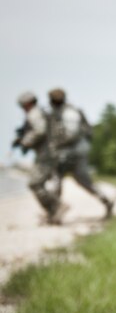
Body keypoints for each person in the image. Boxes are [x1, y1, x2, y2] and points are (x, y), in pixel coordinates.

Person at [47, 88, 114, 220]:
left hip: (72, 152)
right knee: (80, 181)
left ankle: (55, 211)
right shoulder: (65, 112)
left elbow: (71, 134)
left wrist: (56, 144)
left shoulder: (69, 113)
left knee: (59, 179)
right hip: (75, 152)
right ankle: (106, 202)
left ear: (54, 101)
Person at [13, 91, 65, 225]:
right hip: (48, 152)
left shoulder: (34, 113)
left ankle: (57, 207)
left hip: (46, 154)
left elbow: (40, 130)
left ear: (27, 103)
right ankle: (53, 213)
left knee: (34, 183)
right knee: (39, 183)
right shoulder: (40, 112)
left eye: (22, 106)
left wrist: (24, 141)